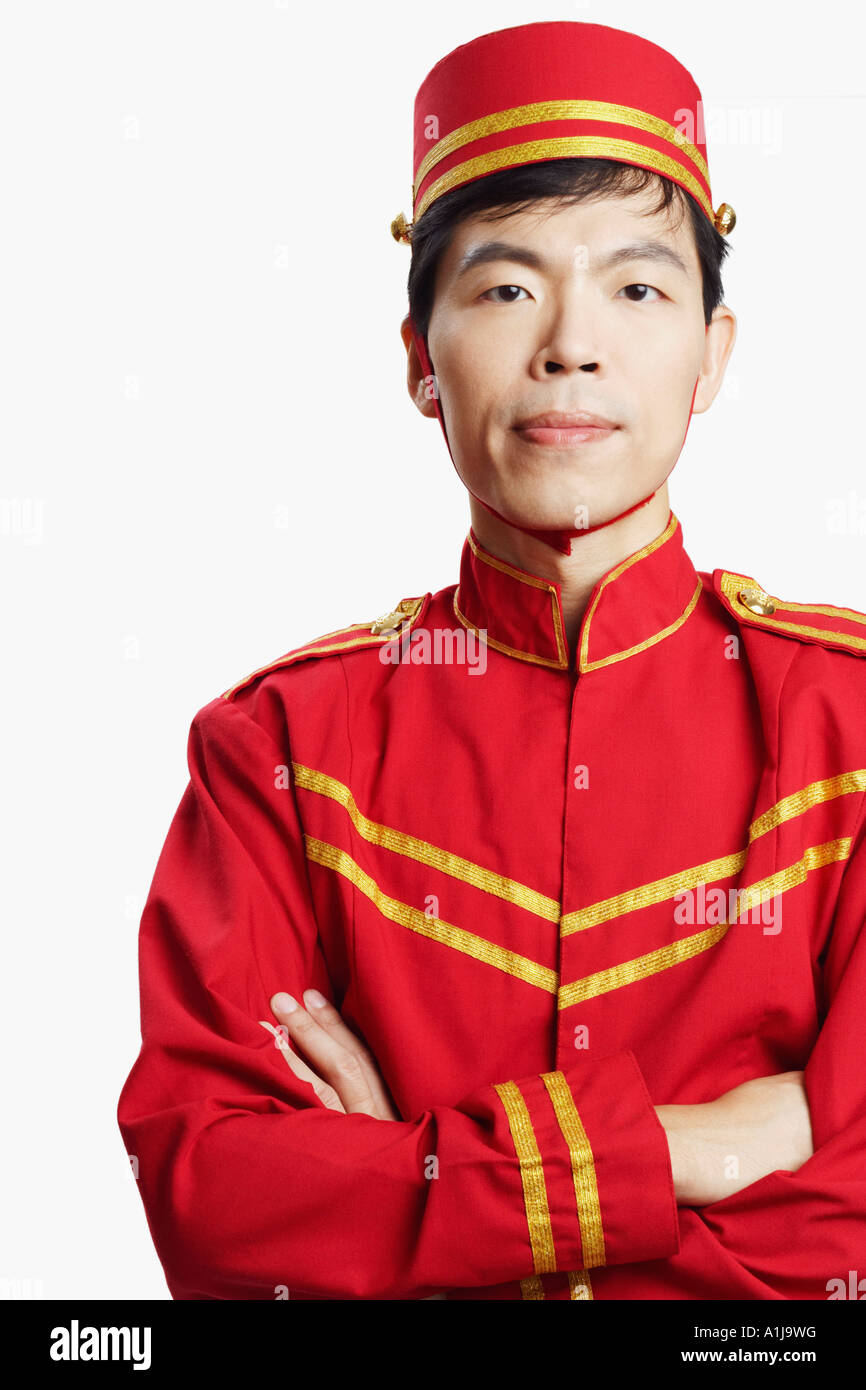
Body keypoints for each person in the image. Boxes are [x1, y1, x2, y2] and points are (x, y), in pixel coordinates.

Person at [117, 20, 866, 1300]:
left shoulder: (846, 721)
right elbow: (216, 1208)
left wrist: (398, 1175)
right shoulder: (280, 747)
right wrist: (689, 1150)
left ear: (711, 357)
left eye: (636, 288)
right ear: (419, 358)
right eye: (505, 287)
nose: (570, 344)